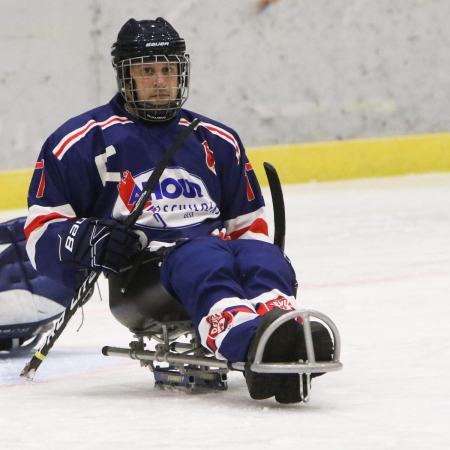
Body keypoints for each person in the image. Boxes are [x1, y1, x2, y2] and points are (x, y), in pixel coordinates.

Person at [25, 17, 332, 403]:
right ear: (125, 76)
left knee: (261, 253)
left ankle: (284, 332)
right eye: (147, 70)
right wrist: (87, 239)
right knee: (202, 255)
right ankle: (251, 343)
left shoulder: (216, 138)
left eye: (168, 69)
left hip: (210, 256)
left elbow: (248, 224)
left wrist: (254, 254)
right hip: (139, 279)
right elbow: (39, 235)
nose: (159, 81)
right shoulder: (81, 140)